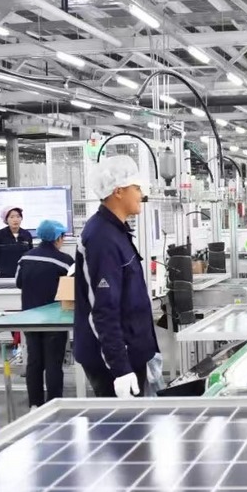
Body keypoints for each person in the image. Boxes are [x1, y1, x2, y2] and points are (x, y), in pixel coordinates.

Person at [74, 155, 159, 398]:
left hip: (131, 352)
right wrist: (120, 368)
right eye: (136, 188)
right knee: (123, 422)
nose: (141, 194)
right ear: (118, 191)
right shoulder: (102, 238)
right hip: (113, 363)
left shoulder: (116, 232)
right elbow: (102, 309)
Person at [15, 220, 73, 407]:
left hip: (29, 318)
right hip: (55, 320)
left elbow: (19, 282)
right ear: (58, 238)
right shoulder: (65, 261)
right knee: (53, 363)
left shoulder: (25, 258)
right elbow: (72, 289)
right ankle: (54, 405)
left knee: (34, 361)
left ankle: (35, 405)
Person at [0, 206, 33, 278]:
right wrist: (2, 268)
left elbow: (30, 254)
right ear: (6, 219)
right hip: (4, 275)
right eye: (12, 217)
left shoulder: (26, 234)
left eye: (18, 216)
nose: (15, 220)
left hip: (23, 273)